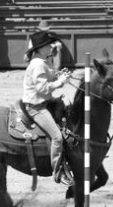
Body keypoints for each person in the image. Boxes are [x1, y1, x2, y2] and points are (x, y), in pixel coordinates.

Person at [22, 31, 72, 185]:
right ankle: (58, 173)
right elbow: (43, 89)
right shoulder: (38, 64)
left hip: (44, 102)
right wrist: (60, 82)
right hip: (36, 107)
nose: (51, 46)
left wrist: (57, 75)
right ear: (40, 48)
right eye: (48, 44)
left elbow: (46, 78)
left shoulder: (42, 61)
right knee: (57, 136)